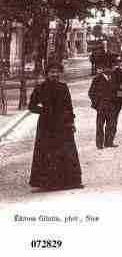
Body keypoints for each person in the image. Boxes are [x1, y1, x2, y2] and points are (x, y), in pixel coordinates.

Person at [28, 61, 83, 191]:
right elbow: (31, 106)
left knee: (66, 151)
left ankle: (70, 181)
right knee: (46, 152)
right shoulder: (40, 88)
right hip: (46, 125)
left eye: (57, 72)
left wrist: (71, 122)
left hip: (63, 124)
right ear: (47, 74)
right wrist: (44, 111)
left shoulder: (64, 87)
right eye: (52, 72)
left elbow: (69, 107)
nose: (55, 74)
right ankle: (46, 183)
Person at [88, 56, 118, 148]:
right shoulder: (97, 79)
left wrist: (116, 101)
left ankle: (109, 142)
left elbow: (116, 91)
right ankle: (99, 143)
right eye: (107, 68)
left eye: (111, 67)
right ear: (103, 69)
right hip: (101, 105)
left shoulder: (113, 78)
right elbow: (91, 93)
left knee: (111, 124)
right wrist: (97, 104)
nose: (109, 70)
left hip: (112, 105)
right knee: (100, 125)